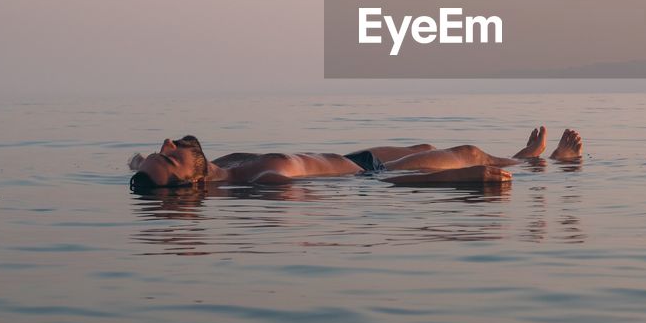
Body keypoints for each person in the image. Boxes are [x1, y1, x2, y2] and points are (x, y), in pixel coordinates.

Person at [128, 125, 584, 190]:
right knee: (465, 153)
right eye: (169, 160)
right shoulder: (265, 182)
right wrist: (459, 179)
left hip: (354, 156)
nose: (169, 147)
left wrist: (139, 166)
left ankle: (522, 156)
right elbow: (371, 189)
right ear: (192, 183)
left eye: (161, 149)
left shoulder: (222, 164)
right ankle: (547, 161)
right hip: (372, 172)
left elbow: (143, 171)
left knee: (425, 147)